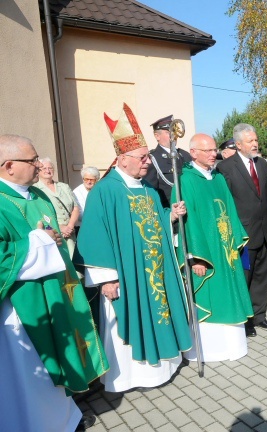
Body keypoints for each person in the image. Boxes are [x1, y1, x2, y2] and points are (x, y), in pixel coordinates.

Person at [75, 103, 192, 392]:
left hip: (154, 270)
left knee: (160, 310)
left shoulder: (148, 189)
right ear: (121, 159)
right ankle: (130, 377)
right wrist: (106, 279)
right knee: (128, 319)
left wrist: (171, 216)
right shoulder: (105, 191)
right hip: (125, 277)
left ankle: (164, 364)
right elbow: (94, 237)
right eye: (142, 158)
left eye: (147, 158)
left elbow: (155, 225)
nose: (148, 162)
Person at [0, 134, 107, 432]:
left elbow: (48, 234)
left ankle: (66, 417)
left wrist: (53, 238)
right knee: (32, 376)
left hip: (57, 293)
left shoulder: (39, 195)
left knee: (61, 357)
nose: (39, 165)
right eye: (32, 160)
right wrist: (37, 242)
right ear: (9, 166)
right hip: (21, 309)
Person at [173, 133, 253, 362]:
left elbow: (230, 210)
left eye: (214, 150)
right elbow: (188, 223)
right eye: (207, 151)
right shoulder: (185, 181)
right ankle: (209, 351)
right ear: (193, 153)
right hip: (205, 253)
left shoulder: (217, 177)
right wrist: (195, 258)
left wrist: (235, 239)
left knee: (228, 292)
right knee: (210, 296)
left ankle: (233, 347)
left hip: (225, 249)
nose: (213, 154)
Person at [216, 123, 267, 337]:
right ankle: (246, 321)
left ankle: (260, 316)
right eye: (251, 141)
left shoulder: (261, 164)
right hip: (242, 234)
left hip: (263, 231)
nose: (255, 144)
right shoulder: (226, 168)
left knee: (262, 276)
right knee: (245, 277)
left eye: (256, 140)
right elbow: (225, 205)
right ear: (238, 144)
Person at [143, 114, 192, 208]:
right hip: (170, 211)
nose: (173, 135)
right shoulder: (152, 159)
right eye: (168, 132)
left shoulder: (185, 155)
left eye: (174, 131)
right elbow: (150, 192)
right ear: (157, 136)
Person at [34, 157, 80, 257]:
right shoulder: (35, 189)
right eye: (44, 168)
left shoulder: (64, 186)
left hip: (69, 233)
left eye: (50, 168)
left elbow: (76, 208)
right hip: (53, 233)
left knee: (73, 263)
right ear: (38, 171)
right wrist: (59, 227)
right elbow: (37, 213)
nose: (48, 171)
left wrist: (70, 226)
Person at [72, 166, 100, 232]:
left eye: (92, 179)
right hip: (83, 227)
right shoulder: (77, 192)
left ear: (96, 179)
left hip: (99, 225)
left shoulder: (99, 189)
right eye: (86, 179)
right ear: (83, 179)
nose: (89, 182)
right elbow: (80, 213)